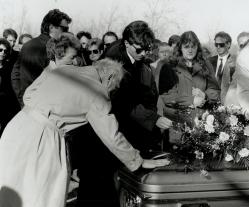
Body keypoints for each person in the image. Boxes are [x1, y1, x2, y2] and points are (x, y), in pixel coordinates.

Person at [0, 58, 169, 207]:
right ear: (109, 77)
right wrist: (137, 161)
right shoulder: (97, 92)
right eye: (114, 87)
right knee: (42, 193)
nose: (111, 92)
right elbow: (111, 135)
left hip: (17, 126)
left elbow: (29, 92)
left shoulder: (63, 69)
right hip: (43, 138)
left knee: (13, 185)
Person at [74, 20, 172, 207]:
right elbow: (123, 103)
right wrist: (154, 119)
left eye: (147, 49)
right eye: (139, 49)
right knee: (99, 190)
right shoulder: (115, 63)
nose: (144, 54)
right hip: (102, 134)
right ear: (126, 43)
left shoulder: (135, 59)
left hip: (118, 129)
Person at [11, 9, 72, 107]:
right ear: (51, 27)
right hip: (43, 107)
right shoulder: (51, 47)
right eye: (64, 29)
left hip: (30, 104)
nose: (67, 33)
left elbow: (15, 75)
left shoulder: (28, 45)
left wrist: (22, 101)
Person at [159, 31, 219, 120]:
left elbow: (215, 89)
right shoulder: (170, 66)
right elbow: (167, 95)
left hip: (202, 119)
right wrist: (191, 100)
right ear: (180, 48)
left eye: (193, 46)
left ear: (197, 47)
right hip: (177, 119)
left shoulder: (205, 65)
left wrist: (205, 95)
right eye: (186, 47)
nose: (190, 50)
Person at [208, 31, 236, 103]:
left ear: (228, 44)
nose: (218, 47)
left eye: (221, 45)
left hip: (228, 101)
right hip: (210, 101)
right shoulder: (209, 61)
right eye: (216, 44)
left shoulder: (235, 62)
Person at [0, 38, 20, 135]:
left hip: (7, 106)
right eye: (0, 50)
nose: (3, 53)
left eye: (5, 51)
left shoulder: (10, 67)